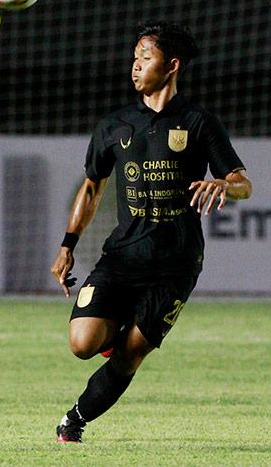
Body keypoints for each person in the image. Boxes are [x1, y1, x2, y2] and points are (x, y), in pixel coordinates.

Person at [50, 22, 253, 443]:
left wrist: (223, 185)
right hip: (122, 258)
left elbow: (243, 183)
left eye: (146, 56)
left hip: (175, 265)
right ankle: (118, 322)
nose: (136, 65)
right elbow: (91, 188)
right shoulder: (115, 125)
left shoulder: (199, 123)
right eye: (135, 56)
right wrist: (67, 245)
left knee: (129, 356)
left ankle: (74, 420)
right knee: (82, 343)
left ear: (172, 65)